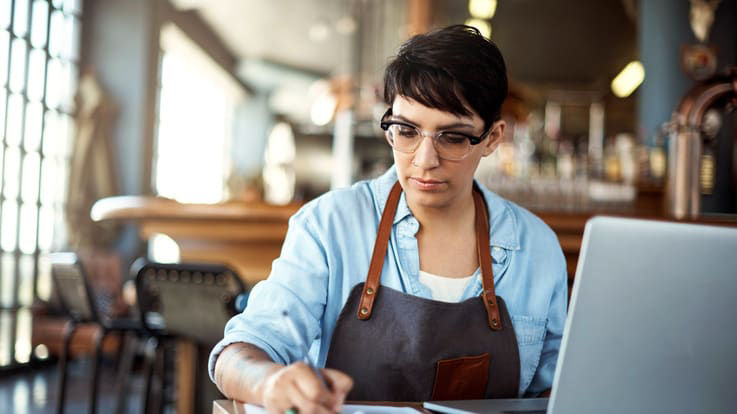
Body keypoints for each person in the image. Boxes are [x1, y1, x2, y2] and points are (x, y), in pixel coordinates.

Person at [209, 25, 567, 413]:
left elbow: (560, 391)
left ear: (493, 138)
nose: (424, 160)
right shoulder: (329, 225)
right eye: (406, 130)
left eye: (453, 137)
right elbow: (238, 354)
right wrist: (271, 382)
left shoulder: (537, 248)